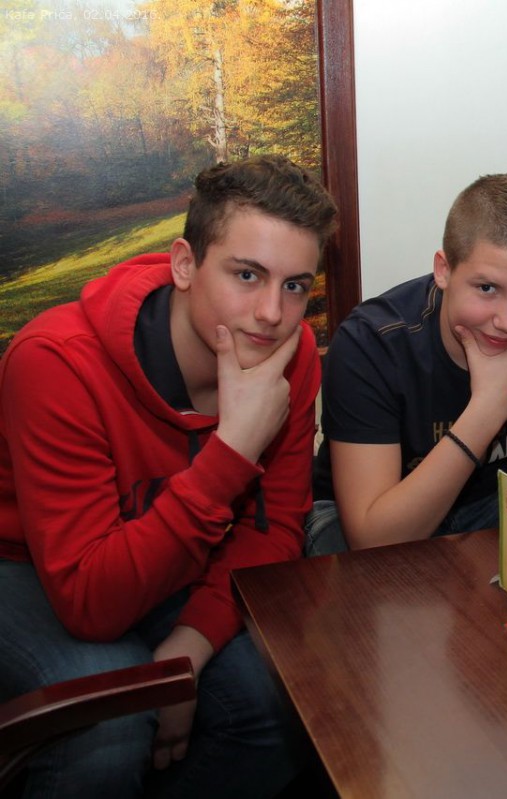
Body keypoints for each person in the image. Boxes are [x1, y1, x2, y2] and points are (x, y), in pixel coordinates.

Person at [0, 154, 337, 798]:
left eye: (295, 285)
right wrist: (233, 450)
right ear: (185, 265)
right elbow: (90, 601)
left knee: (286, 694)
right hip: (30, 567)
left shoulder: (290, 362)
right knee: (113, 717)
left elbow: (271, 532)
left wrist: (190, 646)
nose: (273, 313)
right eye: (247, 275)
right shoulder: (56, 362)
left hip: (178, 554)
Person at [310, 173, 507, 552]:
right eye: (487, 288)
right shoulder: (370, 344)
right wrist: (487, 409)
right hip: (362, 522)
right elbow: (374, 539)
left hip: (489, 504)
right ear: (443, 270)